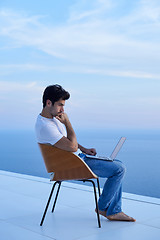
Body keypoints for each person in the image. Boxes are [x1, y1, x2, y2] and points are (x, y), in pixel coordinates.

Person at [35, 84, 136, 222]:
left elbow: (65, 142)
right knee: (119, 169)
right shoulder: (45, 126)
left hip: (76, 159)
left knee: (118, 164)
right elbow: (71, 146)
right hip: (70, 166)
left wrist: (84, 149)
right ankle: (106, 209)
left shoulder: (50, 120)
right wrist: (68, 123)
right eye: (60, 105)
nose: (63, 110)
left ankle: (113, 210)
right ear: (48, 103)